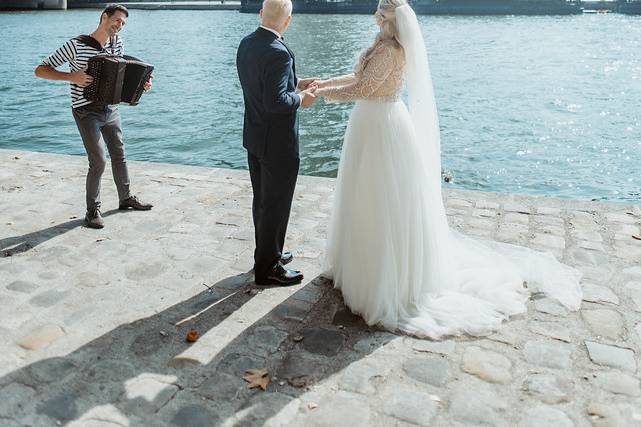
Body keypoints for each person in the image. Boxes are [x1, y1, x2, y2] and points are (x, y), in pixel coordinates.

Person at [314, 0, 583, 338]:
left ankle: (381, 280)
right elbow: (357, 77)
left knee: (380, 198)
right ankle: (358, 267)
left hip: (382, 127)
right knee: (363, 194)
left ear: (389, 19)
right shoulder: (380, 45)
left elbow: (362, 89)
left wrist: (320, 97)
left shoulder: (391, 51)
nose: (374, 12)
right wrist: (321, 83)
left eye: (380, 9)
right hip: (369, 124)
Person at [35, 3, 153, 229]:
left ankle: (125, 198)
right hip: (85, 110)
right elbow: (41, 70)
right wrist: (72, 77)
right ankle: (92, 211)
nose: (120, 26)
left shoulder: (117, 43)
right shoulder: (76, 45)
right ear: (104, 17)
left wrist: (142, 84)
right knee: (98, 160)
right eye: (117, 20)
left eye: (123, 23)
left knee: (119, 154)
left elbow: (122, 74)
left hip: (110, 109)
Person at [236, 0, 318, 286]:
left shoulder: (247, 43)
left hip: (256, 136)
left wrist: (296, 83)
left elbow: (261, 88)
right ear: (288, 20)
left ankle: (268, 254)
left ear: (261, 14)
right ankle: (268, 269)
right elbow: (276, 101)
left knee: (262, 200)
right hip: (278, 143)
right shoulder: (278, 52)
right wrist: (301, 99)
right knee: (276, 204)